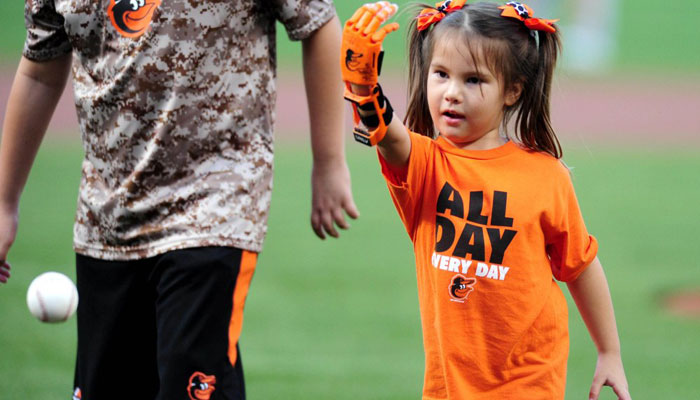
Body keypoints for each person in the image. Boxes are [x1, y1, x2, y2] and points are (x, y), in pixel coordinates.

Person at [0, 0, 358, 399]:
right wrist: (4, 203)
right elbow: (40, 70)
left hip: (213, 201)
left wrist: (328, 162)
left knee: (190, 381)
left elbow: (318, 22)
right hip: (107, 218)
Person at [339, 1, 631, 399]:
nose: (452, 93)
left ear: (512, 90)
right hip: (450, 386)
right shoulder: (426, 165)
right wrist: (362, 89)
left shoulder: (546, 175)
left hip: (530, 379)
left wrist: (609, 352)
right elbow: (390, 137)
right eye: (440, 74)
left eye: (473, 80)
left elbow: (580, 266)